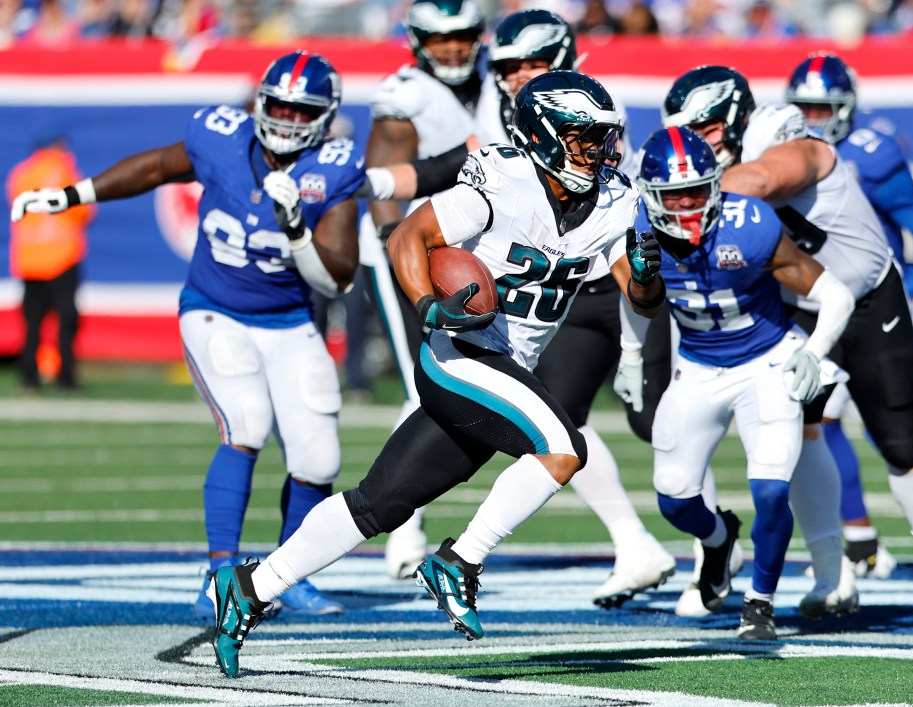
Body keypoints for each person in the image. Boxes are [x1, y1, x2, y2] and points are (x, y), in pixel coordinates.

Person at [204, 71, 667, 678]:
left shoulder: (612, 200)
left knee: (378, 505)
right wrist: (427, 305)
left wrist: (648, 271)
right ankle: (461, 561)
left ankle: (252, 585)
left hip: (507, 368)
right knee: (561, 447)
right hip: (462, 354)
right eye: (584, 139)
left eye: (601, 139)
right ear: (546, 138)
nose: (598, 152)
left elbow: (641, 299)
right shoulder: (502, 182)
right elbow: (410, 234)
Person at [11, 50, 363, 620]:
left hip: (289, 319)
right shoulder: (222, 139)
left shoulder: (334, 169)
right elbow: (154, 168)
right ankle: (220, 573)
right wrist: (72, 195)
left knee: (319, 457)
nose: (289, 121)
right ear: (259, 104)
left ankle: (289, 574)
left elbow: (338, 276)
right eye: (280, 107)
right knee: (246, 422)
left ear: (326, 116)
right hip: (215, 309)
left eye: (304, 112)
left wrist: (299, 228)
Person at [363, 8, 677, 607]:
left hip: (590, 271)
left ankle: (694, 539)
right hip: (529, 283)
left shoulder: (589, 119)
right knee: (556, 423)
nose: (517, 75)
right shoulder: (495, 107)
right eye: (508, 65)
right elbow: (448, 167)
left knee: (623, 422)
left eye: (534, 63)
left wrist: (640, 294)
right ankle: (632, 542)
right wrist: (376, 185)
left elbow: (603, 207)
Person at [715, 97, 913, 629]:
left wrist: (688, 195)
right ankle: (830, 569)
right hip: (801, 309)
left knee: (901, 443)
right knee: (803, 430)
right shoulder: (731, 167)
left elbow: (765, 179)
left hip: (867, 303)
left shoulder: (808, 153)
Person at [636, 125, 855, 639]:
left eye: (697, 190)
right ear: (651, 196)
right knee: (673, 495)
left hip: (766, 362)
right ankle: (718, 540)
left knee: (773, 489)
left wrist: (814, 352)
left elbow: (837, 295)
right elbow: (635, 296)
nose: (688, 205)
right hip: (697, 365)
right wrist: (629, 353)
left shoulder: (749, 221)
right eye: (675, 195)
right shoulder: (636, 227)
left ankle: (760, 602)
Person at [785, 52, 913, 581]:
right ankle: (860, 537)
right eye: (803, 107)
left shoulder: (870, 156)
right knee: (818, 418)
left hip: (885, 303)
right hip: (824, 303)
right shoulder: (782, 154)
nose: (812, 119)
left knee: (891, 429)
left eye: (821, 107)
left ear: (845, 107)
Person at [360, 0, 488, 579]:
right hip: (414, 254)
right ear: (416, 41)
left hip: (467, 255)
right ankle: (399, 525)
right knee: (428, 381)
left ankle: (400, 521)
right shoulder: (405, 94)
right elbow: (385, 185)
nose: (454, 48)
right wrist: (403, 257)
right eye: (440, 39)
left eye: (462, 35)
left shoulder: (494, 85)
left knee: (446, 380)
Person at [7, 133, 94, 391]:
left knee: (32, 322)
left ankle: (28, 377)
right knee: (66, 320)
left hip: (29, 259)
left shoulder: (20, 174)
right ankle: (65, 377)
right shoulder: (63, 170)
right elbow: (83, 210)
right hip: (62, 256)